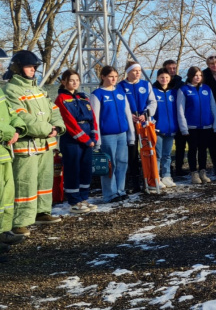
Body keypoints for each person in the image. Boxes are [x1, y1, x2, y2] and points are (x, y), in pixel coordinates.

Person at [4, 51, 66, 236]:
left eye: (35, 67)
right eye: (29, 67)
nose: (33, 70)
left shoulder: (38, 89)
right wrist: (48, 130)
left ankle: (42, 212)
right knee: (25, 184)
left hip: (45, 145)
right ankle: (20, 221)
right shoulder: (10, 91)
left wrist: (57, 126)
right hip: (26, 147)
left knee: (44, 181)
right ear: (17, 68)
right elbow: (22, 117)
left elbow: (53, 109)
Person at [55, 69, 99, 214]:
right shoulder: (61, 99)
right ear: (64, 82)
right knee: (73, 169)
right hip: (72, 140)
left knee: (85, 169)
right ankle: (74, 200)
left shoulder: (83, 97)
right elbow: (69, 122)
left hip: (87, 139)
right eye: (71, 80)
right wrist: (85, 139)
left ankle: (83, 197)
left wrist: (94, 136)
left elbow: (92, 118)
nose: (75, 83)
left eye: (77, 80)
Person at [90, 66, 135, 203]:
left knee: (122, 162)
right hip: (107, 135)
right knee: (110, 165)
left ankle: (120, 190)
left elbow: (127, 113)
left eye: (115, 76)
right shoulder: (97, 94)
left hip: (121, 133)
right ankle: (110, 193)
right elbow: (95, 118)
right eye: (110, 76)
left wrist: (131, 134)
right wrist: (96, 138)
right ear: (103, 77)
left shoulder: (120, 92)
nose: (114, 79)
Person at [119, 61, 157, 193]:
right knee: (132, 154)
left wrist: (146, 114)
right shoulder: (121, 86)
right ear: (128, 72)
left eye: (139, 71)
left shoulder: (146, 84)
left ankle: (150, 179)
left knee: (148, 151)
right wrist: (129, 115)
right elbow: (120, 105)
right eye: (134, 71)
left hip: (144, 123)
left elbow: (152, 102)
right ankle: (134, 182)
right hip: (130, 125)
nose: (137, 73)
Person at [177, 67, 216, 184]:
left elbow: (213, 107)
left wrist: (215, 124)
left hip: (206, 126)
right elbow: (180, 110)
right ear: (190, 76)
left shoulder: (206, 89)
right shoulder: (184, 90)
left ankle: (202, 172)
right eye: (195, 75)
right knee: (192, 150)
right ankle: (194, 173)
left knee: (203, 150)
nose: (198, 77)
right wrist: (183, 127)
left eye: (200, 75)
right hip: (191, 127)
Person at [0, 84, 26, 255]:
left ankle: (3, 232)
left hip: (4, 152)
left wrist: (17, 128)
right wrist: (10, 133)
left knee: (6, 195)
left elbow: (11, 113)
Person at [152, 68, 178, 188]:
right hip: (158, 129)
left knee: (167, 155)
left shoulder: (173, 92)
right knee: (158, 155)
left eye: (167, 77)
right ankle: (156, 177)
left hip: (171, 128)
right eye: (162, 77)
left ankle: (167, 176)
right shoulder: (153, 91)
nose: (164, 79)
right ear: (157, 78)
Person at [163, 59, 188, 176]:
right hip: (165, 119)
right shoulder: (159, 84)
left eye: (174, 68)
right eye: (169, 69)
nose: (172, 71)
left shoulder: (181, 84)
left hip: (178, 118)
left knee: (180, 145)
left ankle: (179, 167)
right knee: (165, 147)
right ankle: (165, 169)